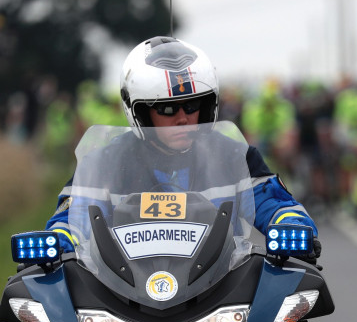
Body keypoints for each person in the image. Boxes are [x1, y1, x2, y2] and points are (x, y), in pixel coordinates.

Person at [45, 36, 319, 257]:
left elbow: (273, 201)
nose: (182, 118)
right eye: (166, 108)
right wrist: (60, 239)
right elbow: (73, 216)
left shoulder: (235, 156)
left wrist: (290, 224)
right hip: (124, 297)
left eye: (192, 105)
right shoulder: (104, 162)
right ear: (139, 112)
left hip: (221, 293)